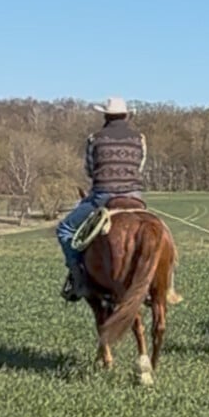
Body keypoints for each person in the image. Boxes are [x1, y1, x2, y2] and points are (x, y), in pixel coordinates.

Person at [57, 96, 147, 301]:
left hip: (102, 196)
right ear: (127, 115)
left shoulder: (94, 138)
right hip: (134, 195)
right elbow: (139, 166)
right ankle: (164, 283)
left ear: (105, 115)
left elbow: (89, 169)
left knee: (65, 230)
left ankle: (79, 279)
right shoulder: (139, 139)